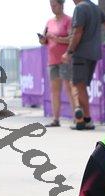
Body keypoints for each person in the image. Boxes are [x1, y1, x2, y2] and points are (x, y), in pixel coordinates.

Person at [61, 0, 105, 130]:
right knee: (82, 86)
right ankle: (82, 119)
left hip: (81, 54)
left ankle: (85, 118)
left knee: (77, 86)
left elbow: (77, 32)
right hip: (94, 54)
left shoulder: (80, 8)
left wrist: (69, 52)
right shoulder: (95, 8)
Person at [39, 0, 75, 128]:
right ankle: (55, 119)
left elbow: (71, 38)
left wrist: (56, 38)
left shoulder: (68, 20)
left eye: (54, 5)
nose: (52, 8)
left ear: (61, 5)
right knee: (54, 91)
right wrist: (43, 40)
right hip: (52, 61)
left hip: (65, 60)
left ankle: (77, 118)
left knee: (69, 89)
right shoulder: (49, 22)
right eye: (51, 5)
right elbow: (44, 41)